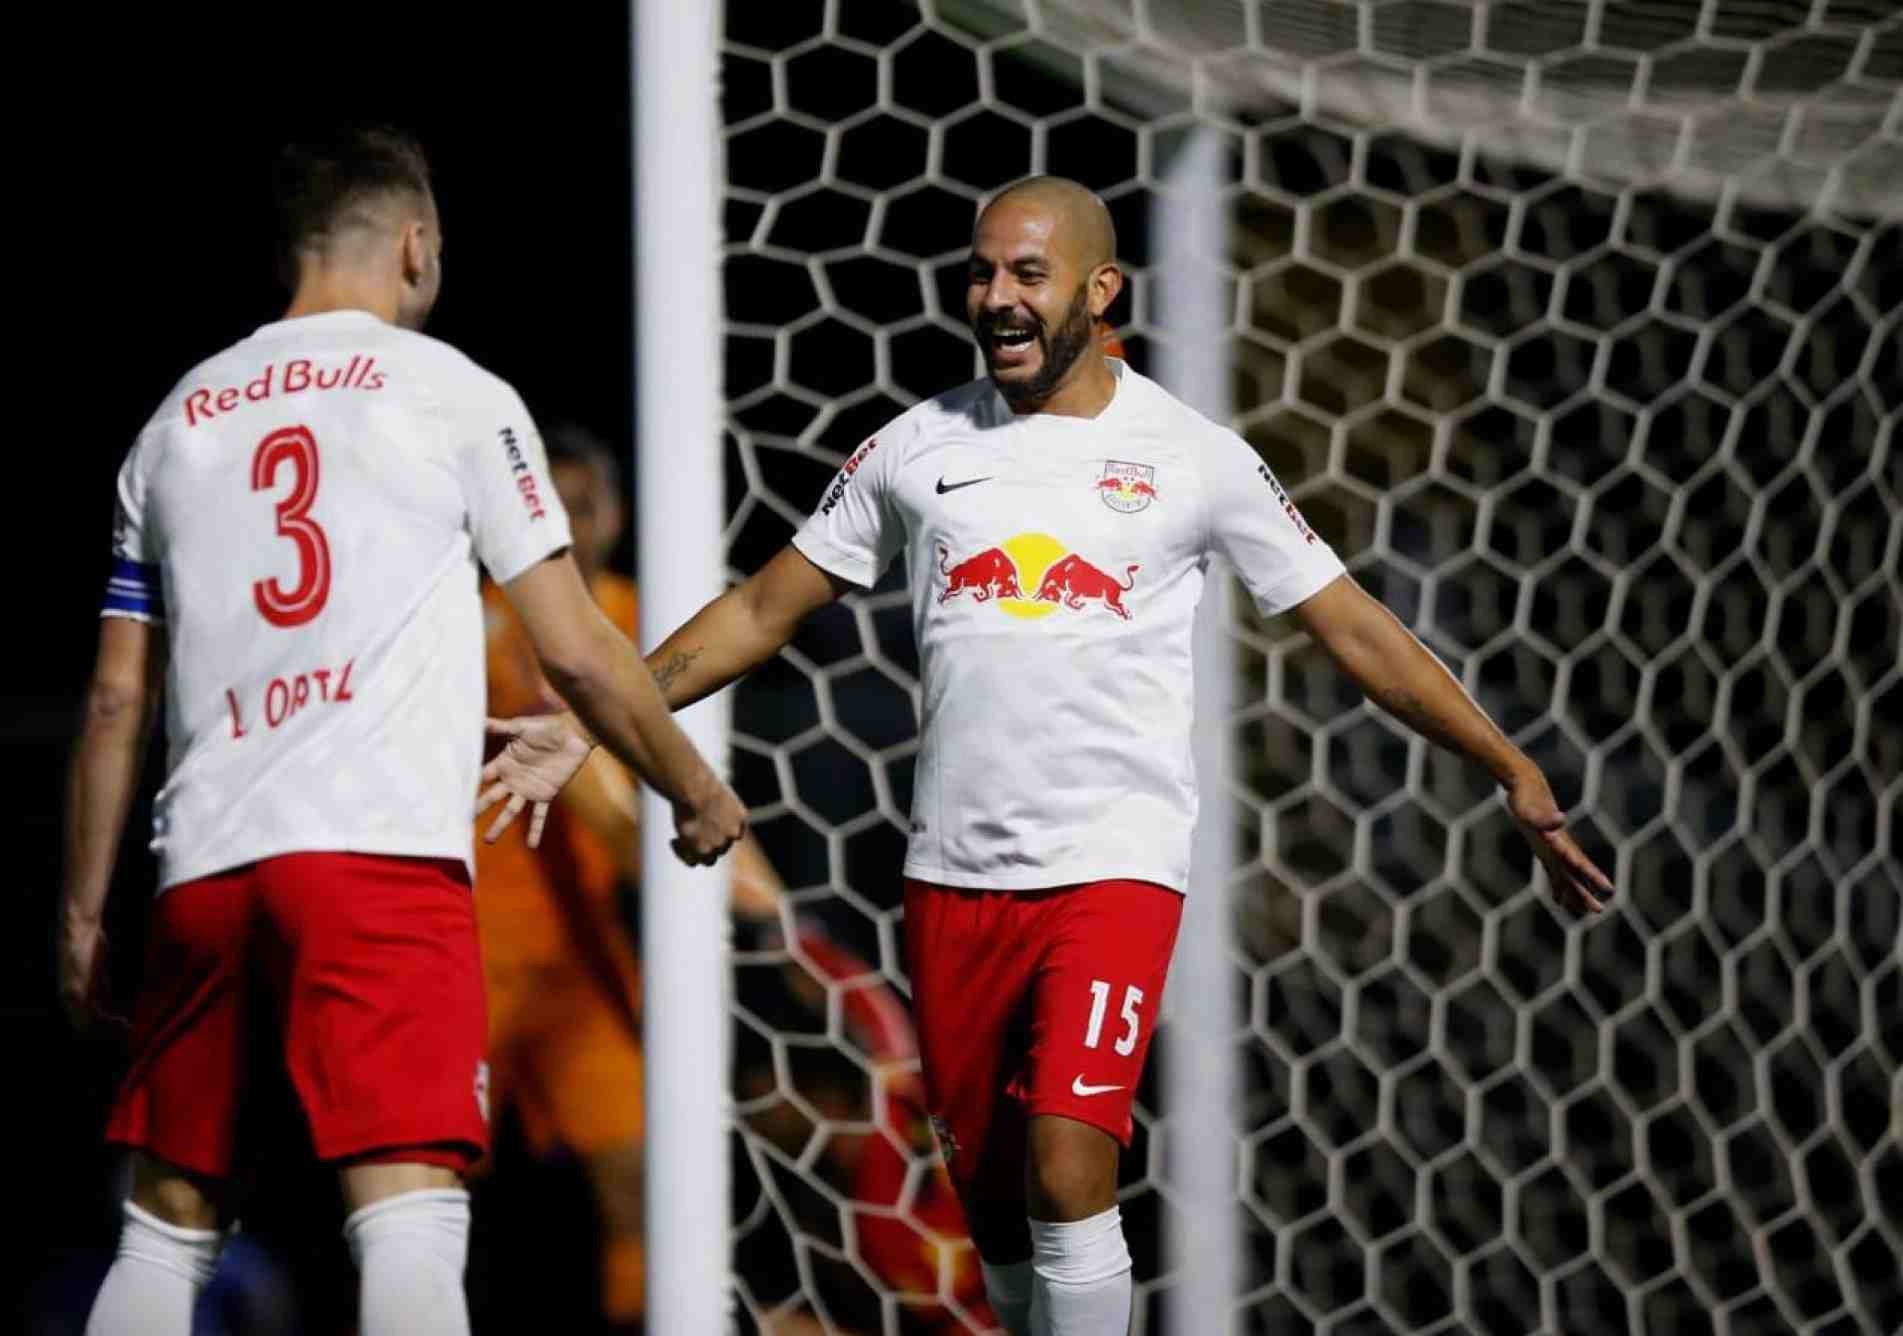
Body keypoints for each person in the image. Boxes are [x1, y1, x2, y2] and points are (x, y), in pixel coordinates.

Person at [495, 174, 1613, 1336]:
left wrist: (1506, 764)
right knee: (999, 1224)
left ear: (1099, 288)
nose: (997, 297)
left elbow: (1355, 627)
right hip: (953, 882)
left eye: (1028, 273)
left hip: (1111, 870)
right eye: (981, 273)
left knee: (1070, 1167)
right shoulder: (915, 446)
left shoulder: (1192, 456)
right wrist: (596, 717)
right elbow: (760, 608)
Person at [58, 124, 746, 1336]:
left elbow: (117, 698)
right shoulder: (452, 394)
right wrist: (693, 787)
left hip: (206, 867)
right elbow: (577, 646)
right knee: (409, 1218)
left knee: (165, 1232)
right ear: (416, 246)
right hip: (375, 860)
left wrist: (79, 912)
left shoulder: (176, 421)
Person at [472, 422, 789, 1331]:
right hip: (472, 950)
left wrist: (769, 900)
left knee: (639, 1183)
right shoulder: (489, 621)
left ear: (616, 511)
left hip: (586, 966)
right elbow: (609, 811)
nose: (570, 526)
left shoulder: (642, 618)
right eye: (553, 505)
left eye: (587, 504)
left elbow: (687, 767)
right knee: (431, 1195)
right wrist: (735, 890)